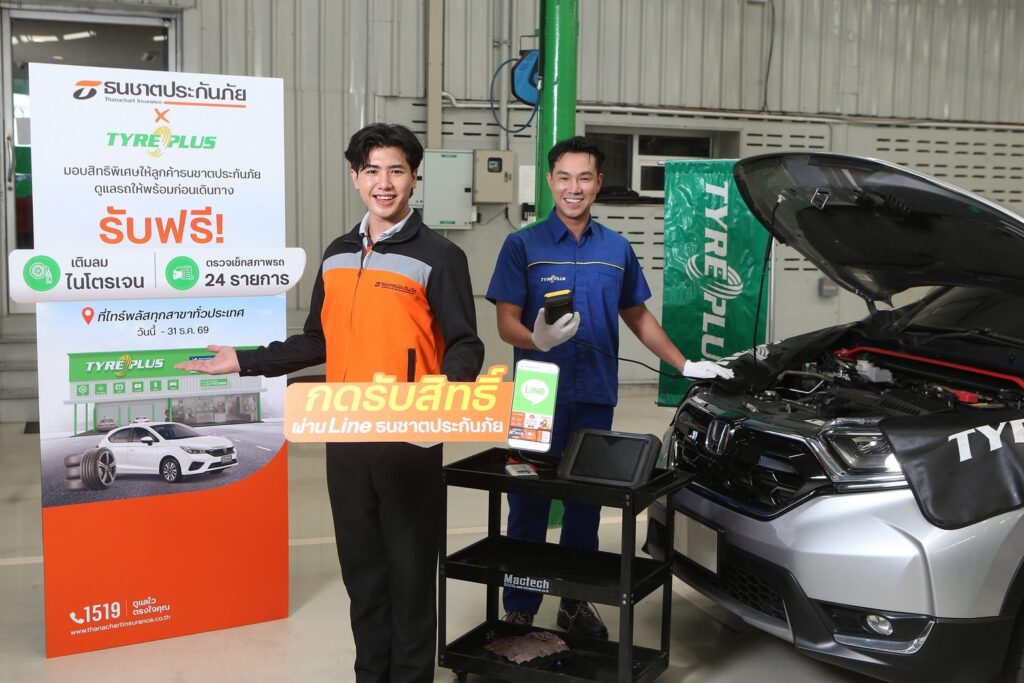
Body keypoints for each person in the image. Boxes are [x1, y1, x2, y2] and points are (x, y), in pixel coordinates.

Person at [176, 123, 484, 682]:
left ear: (415, 177)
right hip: (344, 436)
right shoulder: (338, 254)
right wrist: (244, 359)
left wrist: (442, 391)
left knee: (411, 574)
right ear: (355, 177)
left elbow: (466, 343)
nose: (384, 183)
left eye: (396, 170)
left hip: (409, 439)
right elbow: (317, 340)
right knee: (363, 575)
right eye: (372, 170)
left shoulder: (440, 255)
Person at [485, 136, 732, 638]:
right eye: (564, 177)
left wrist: (684, 364)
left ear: (598, 183)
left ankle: (575, 603)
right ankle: (521, 607)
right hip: (536, 396)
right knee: (528, 503)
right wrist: (536, 338)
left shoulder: (616, 248)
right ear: (550, 181)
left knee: (586, 506)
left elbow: (637, 315)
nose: (573, 188)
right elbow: (505, 322)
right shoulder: (522, 245)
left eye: (584, 177)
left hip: (595, 395)